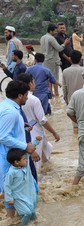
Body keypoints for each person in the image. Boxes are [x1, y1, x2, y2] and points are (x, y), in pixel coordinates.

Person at [0, 80, 39, 218]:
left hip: (12, 156)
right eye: (26, 94)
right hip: (9, 158)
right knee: (11, 191)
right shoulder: (10, 112)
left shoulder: (6, 106)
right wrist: (25, 146)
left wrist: (21, 126)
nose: (27, 97)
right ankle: (11, 222)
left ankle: (16, 220)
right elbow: (3, 136)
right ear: (20, 95)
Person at [18, 73, 60, 171]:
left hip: (27, 134)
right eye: (34, 81)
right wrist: (54, 133)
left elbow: (31, 120)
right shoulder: (34, 100)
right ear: (30, 84)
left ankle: (48, 177)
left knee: (46, 158)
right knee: (37, 164)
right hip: (36, 135)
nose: (35, 84)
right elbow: (42, 120)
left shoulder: (17, 99)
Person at [4, 147, 40, 226]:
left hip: (26, 194)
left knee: (33, 213)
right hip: (17, 197)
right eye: (24, 159)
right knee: (27, 213)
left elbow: (29, 151)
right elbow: (7, 186)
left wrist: (37, 141)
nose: (26, 160)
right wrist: (9, 198)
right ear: (16, 162)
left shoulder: (25, 166)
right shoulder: (11, 173)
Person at [40, 23, 70, 96]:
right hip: (53, 60)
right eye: (55, 31)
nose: (56, 33)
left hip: (45, 60)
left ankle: (50, 92)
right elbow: (59, 48)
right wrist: (65, 43)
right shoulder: (51, 38)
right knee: (55, 78)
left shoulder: (42, 37)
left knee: (48, 77)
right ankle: (56, 93)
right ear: (51, 31)